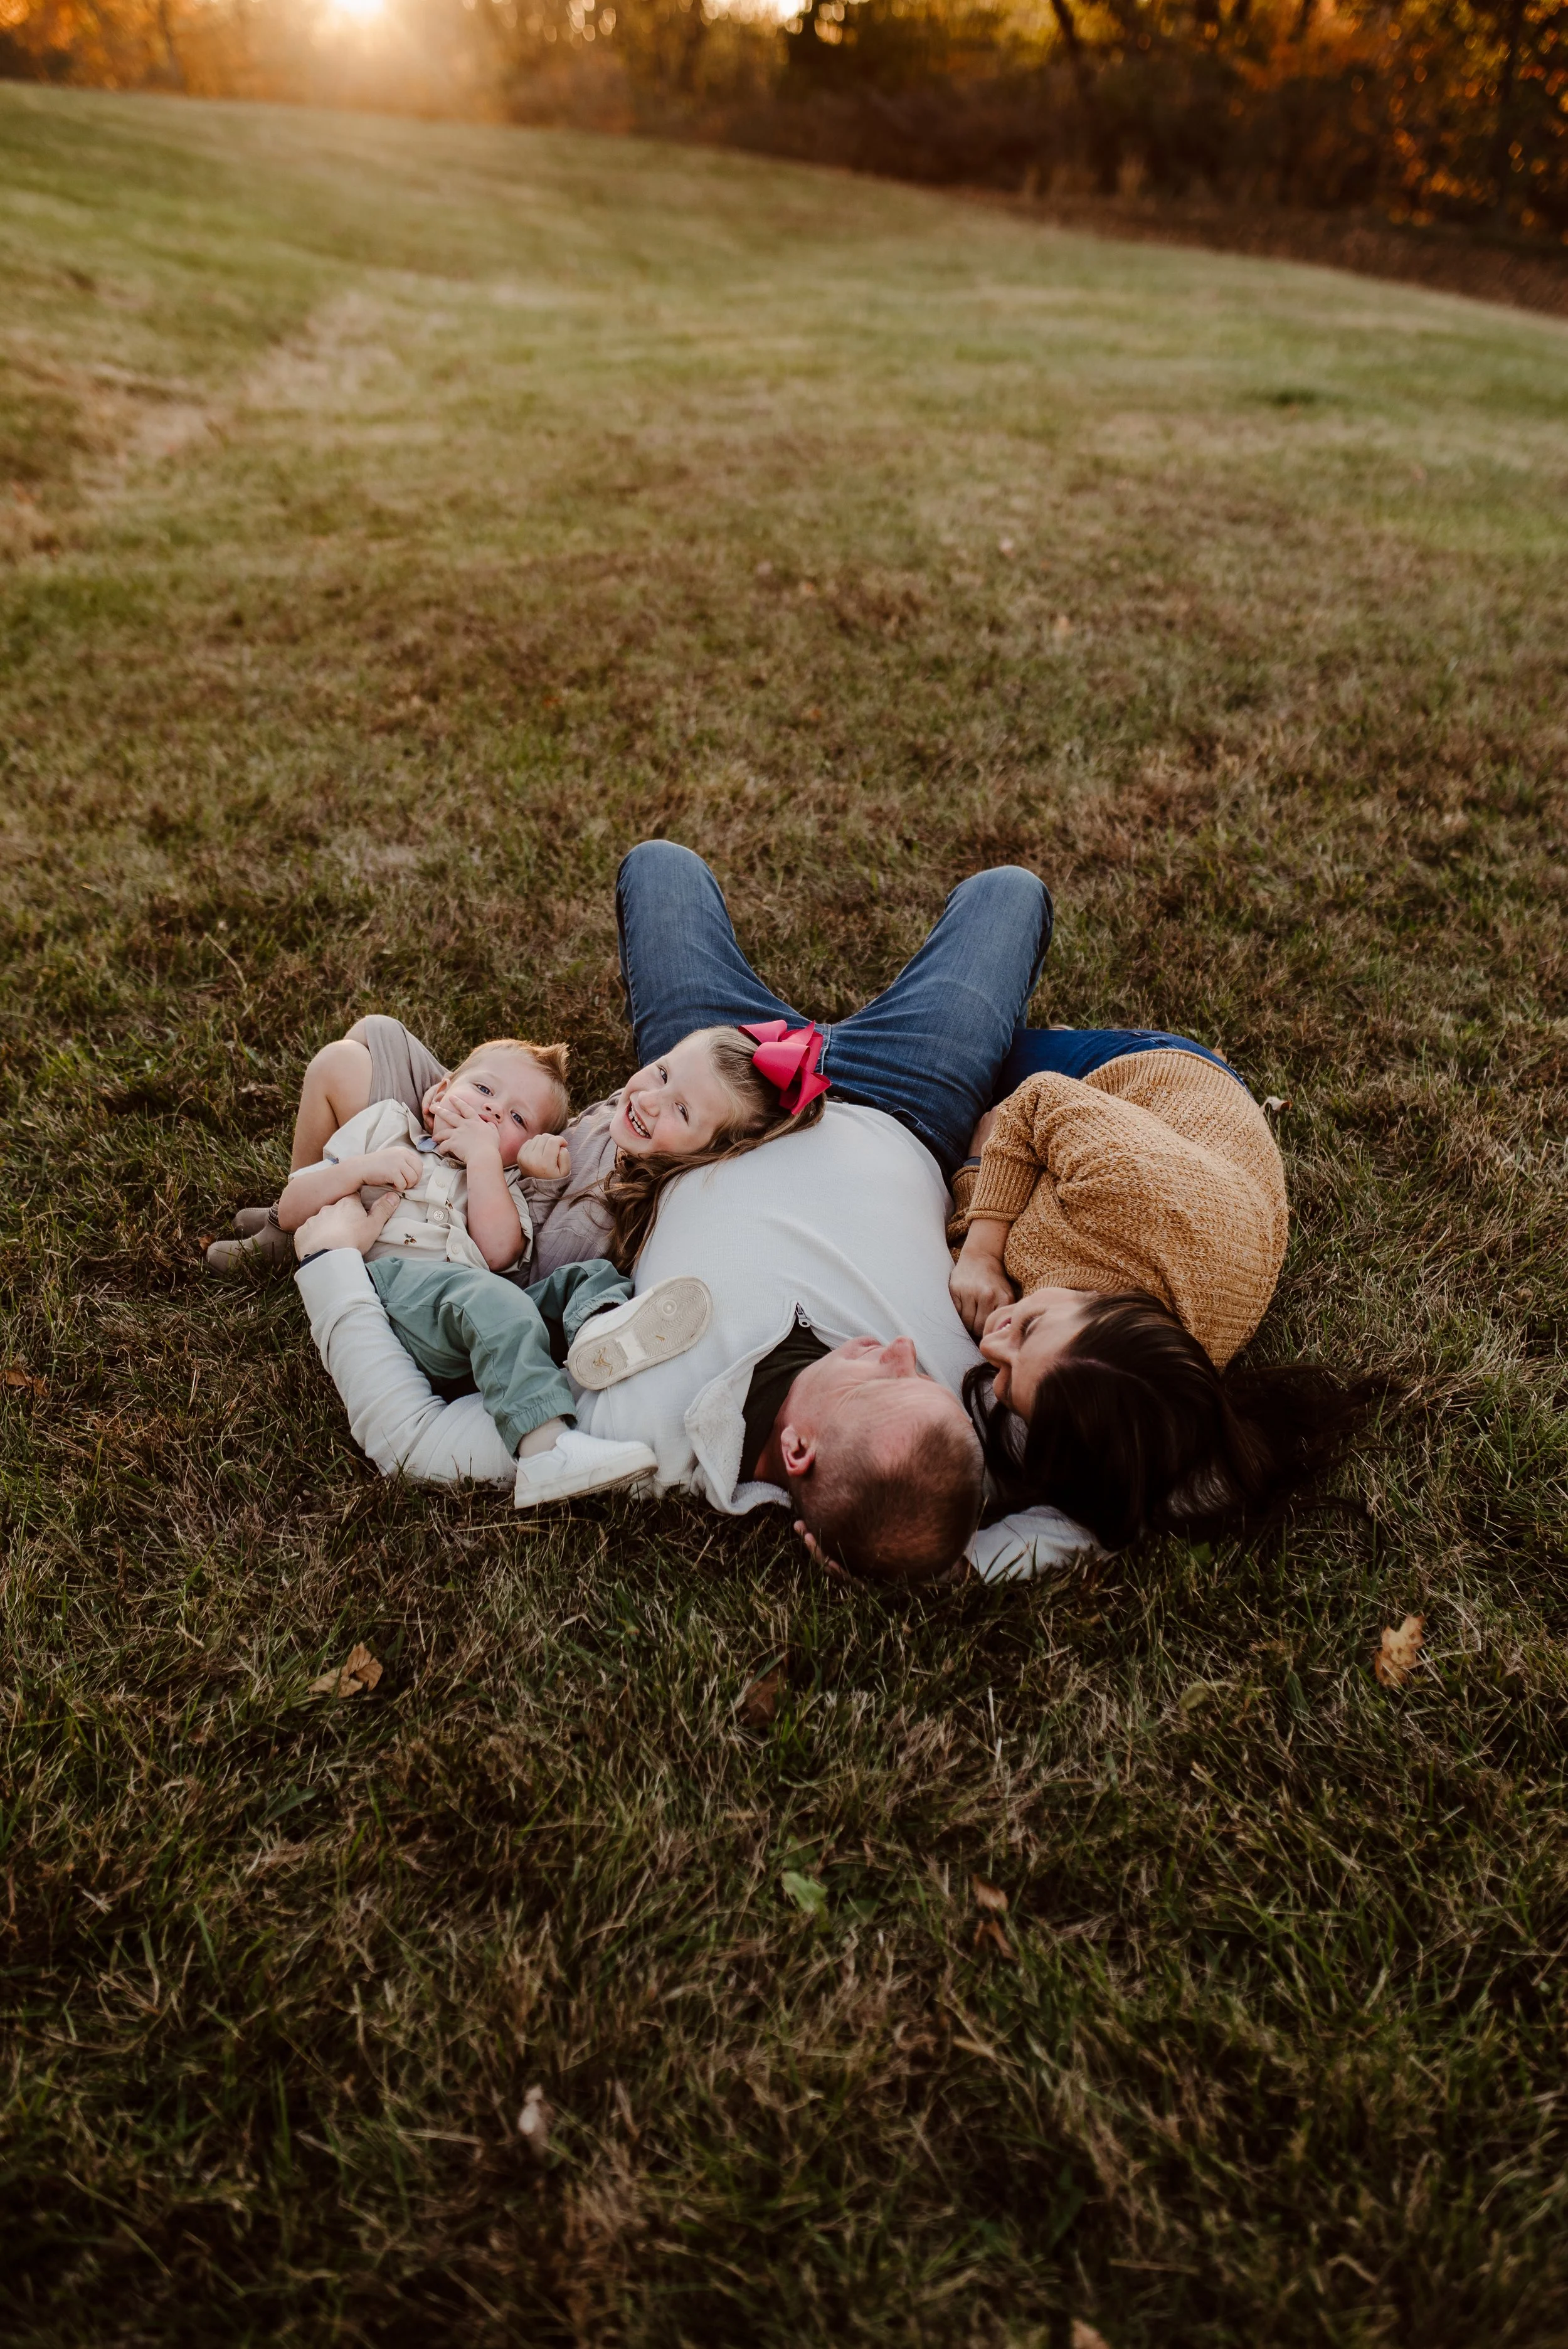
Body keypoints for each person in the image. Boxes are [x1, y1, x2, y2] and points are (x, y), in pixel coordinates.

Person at [292, 841, 1093, 1584]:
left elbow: (413, 1441)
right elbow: (1138, 1500)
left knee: (657, 870)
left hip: (707, 1110)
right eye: (916, 1371)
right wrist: (956, 1562)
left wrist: (329, 1260)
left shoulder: (647, 1426)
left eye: (885, 1376)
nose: (901, 1349)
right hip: (871, 1098)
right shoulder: (955, 1438)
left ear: (798, 1449)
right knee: (1010, 892)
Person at [949, 1024, 1376, 1549]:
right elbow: (1036, 1103)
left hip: (1126, 1170)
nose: (991, 1339)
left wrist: (974, 1171)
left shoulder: (1135, 1393)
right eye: (1028, 1329)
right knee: (958, 1058)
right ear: (1108, 1307)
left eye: (1009, 1384)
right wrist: (983, 1251)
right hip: (1161, 1078)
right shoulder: (1131, 1192)